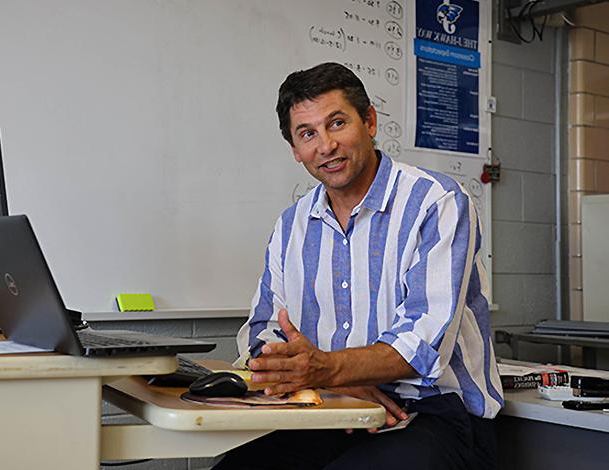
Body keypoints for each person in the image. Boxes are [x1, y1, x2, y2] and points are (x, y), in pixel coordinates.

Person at [214, 62, 503, 470]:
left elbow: (422, 343)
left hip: (432, 415)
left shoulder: (435, 202)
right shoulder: (291, 225)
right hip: (330, 407)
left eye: (337, 123)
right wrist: (336, 383)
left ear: (369, 121)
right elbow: (263, 334)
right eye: (307, 133)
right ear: (296, 151)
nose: (325, 146)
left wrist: (330, 371)